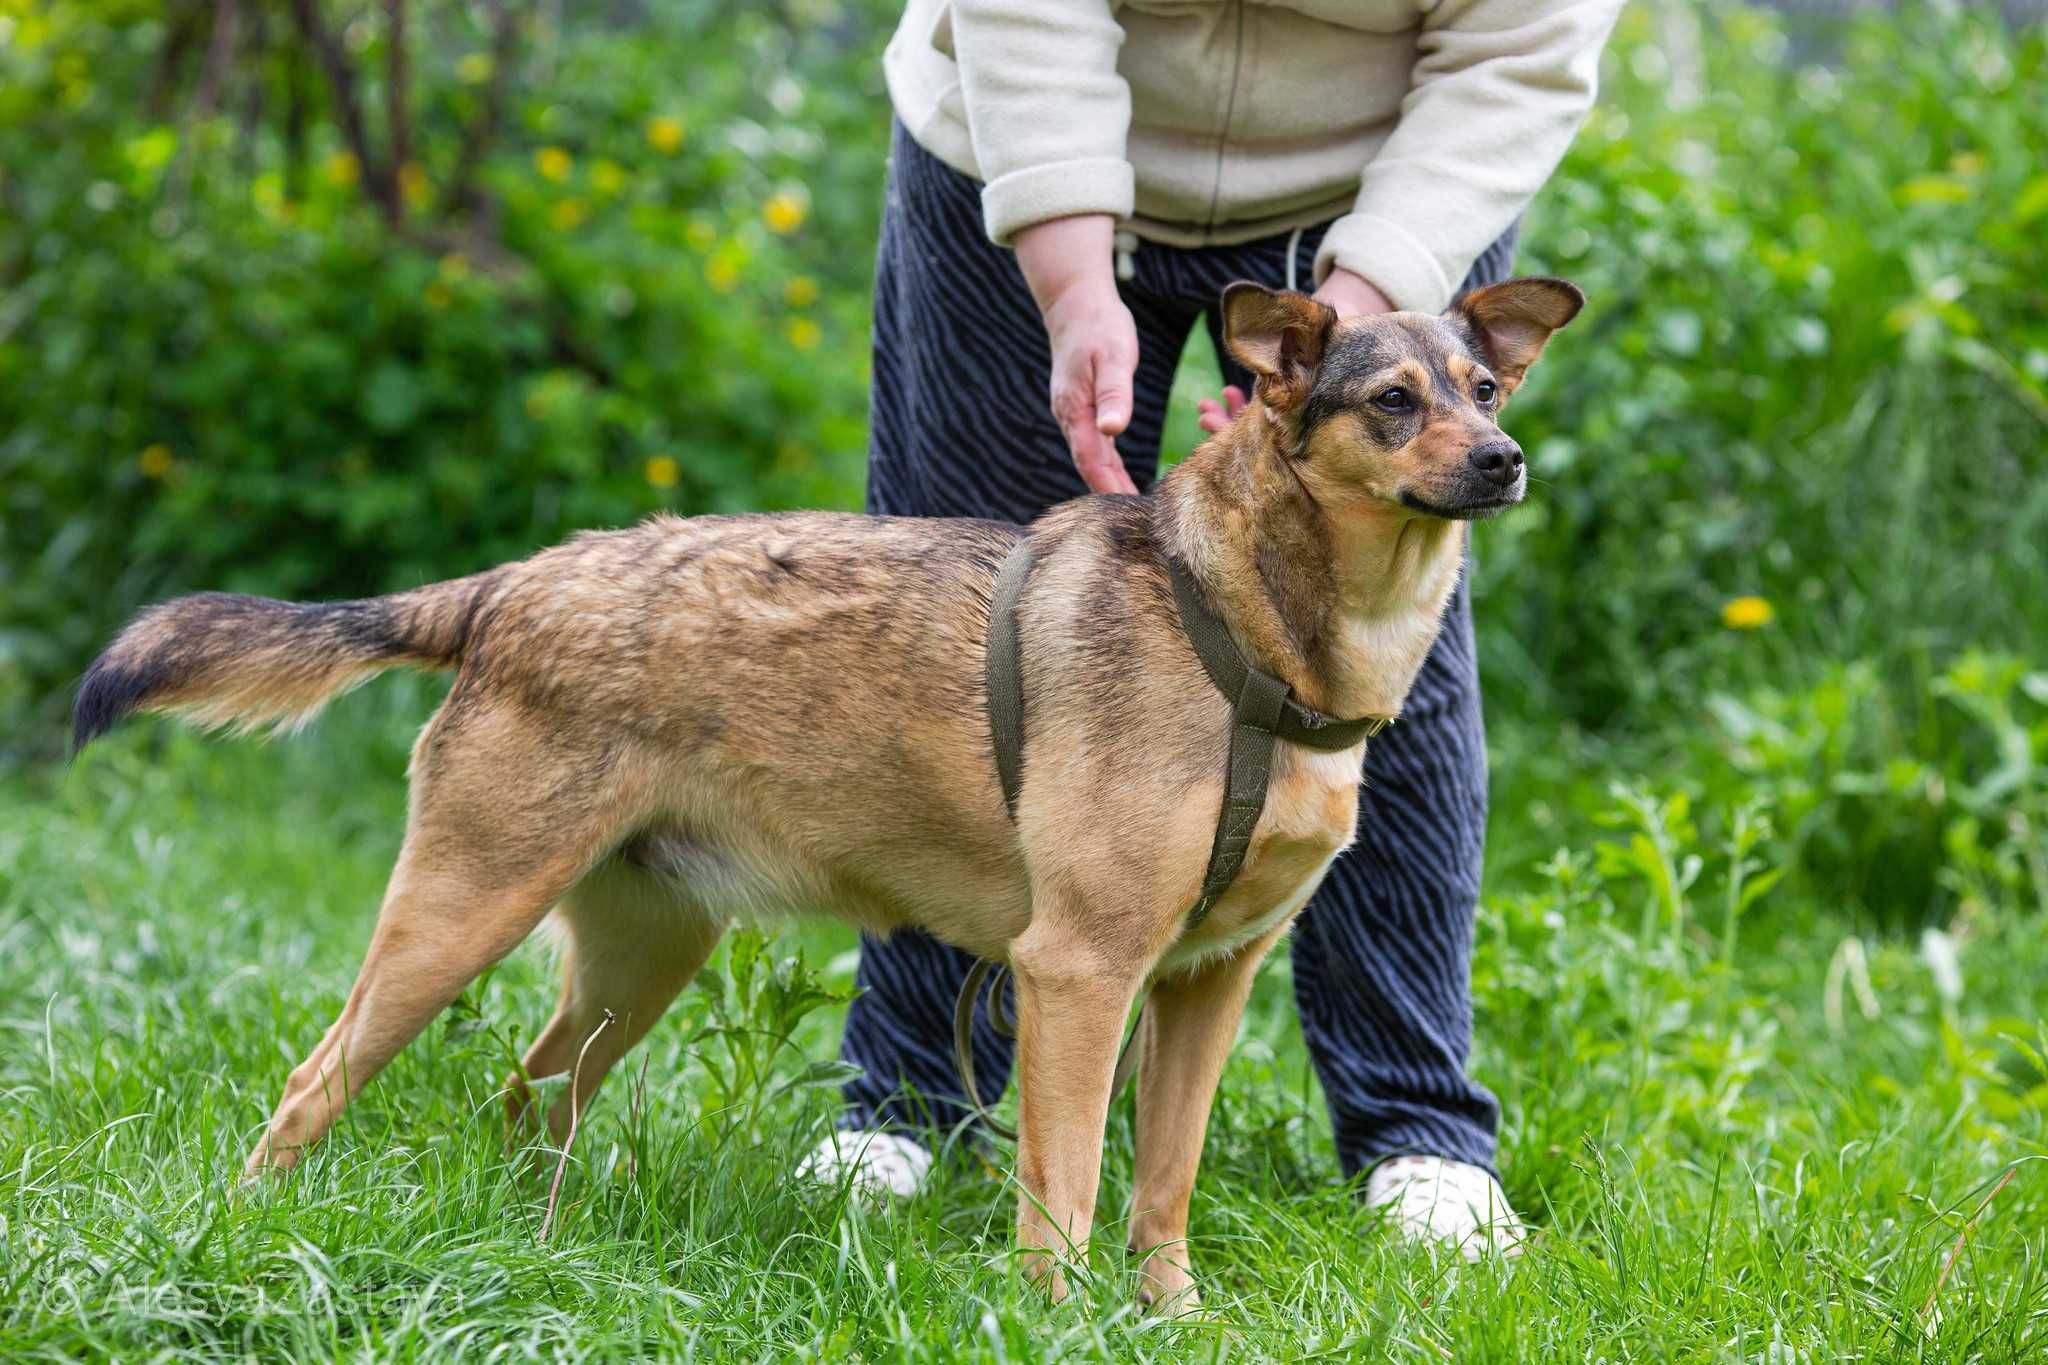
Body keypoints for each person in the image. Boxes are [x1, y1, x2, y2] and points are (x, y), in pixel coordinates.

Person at [802, 0, 1624, 1256]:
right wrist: (1070, 281)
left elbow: (1522, 48)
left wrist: (1346, 332)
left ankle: (1417, 1131)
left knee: (1378, 646)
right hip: (1026, 140)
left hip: (1377, 168)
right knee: (956, 625)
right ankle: (911, 1099)